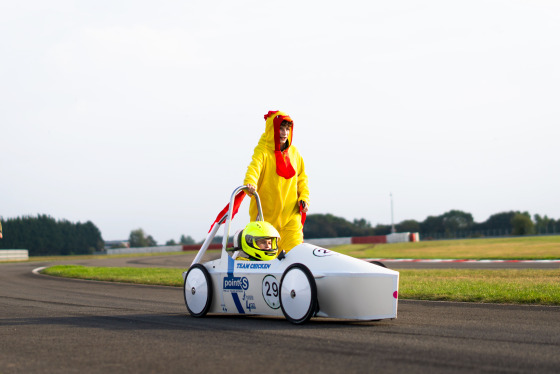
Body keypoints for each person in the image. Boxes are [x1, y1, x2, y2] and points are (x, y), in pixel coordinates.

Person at [244, 110, 310, 253]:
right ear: (272, 129)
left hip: (291, 217)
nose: (284, 133)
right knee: (266, 257)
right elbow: (254, 167)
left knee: (297, 254)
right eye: (280, 128)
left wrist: (304, 198)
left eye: (287, 129)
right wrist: (250, 182)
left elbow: (302, 179)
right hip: (265, 218)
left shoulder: (295, 153)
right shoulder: (262, 150)